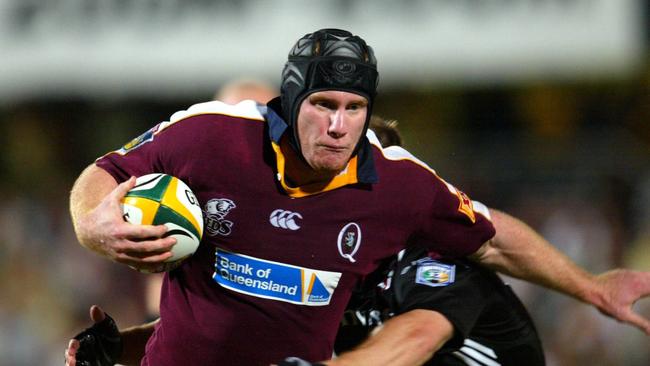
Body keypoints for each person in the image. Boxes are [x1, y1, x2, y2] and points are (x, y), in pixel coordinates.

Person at [66, 28, 650, 366]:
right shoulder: (211, 140)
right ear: (291, 103)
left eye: (355, 110)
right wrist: (95, 230)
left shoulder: (412, 217)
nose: (341, 128)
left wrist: (592, 287)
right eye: (324, 105)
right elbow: (106, 171)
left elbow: (488, 249)